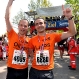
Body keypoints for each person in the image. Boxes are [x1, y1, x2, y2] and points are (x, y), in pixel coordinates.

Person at [28, 5, 77, 79]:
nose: (39, 25)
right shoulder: (32, 39)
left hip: (47, 72)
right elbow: (30, 49)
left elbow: (72, 33)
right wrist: (31, 56)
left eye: (41, 23)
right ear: (35, 27)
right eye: (37, 24)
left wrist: (69, 18)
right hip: (34, 71)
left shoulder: (53, 36)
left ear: (45, 24)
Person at [5, 0, 30, 79]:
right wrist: (10, 2)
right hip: (12, 69)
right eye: (21, 25)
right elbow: (7, 18)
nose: (23, 27)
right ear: (18, 26)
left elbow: (32, 54)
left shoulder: (30, 40)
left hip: (24, 70)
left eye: (25, 26)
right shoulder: (12, 34)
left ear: (27, 28)